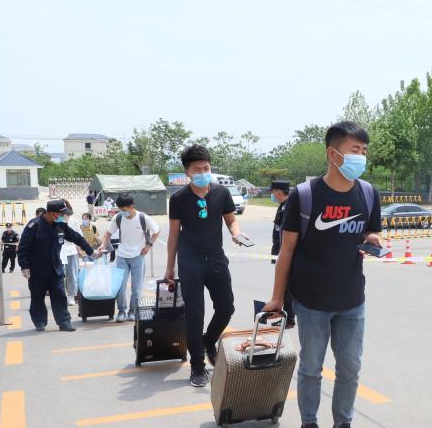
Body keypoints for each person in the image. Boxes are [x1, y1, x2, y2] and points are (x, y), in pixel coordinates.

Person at [262, 121, 383, 428]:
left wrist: (372, 239)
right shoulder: (305, 196)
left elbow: (368, 233)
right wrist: (277, 297)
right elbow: (286, 251)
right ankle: (310, 427)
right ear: (333, 154)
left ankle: (342, 427)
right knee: (311, 368)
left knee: (350, 368)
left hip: (352, 299)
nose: (361, 157)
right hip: (311, 300)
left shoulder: (368, 193)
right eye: (355, 150)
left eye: (364, 151)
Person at [163, 144, 249, 387]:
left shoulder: (222, 193)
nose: (203, 172)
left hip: (216, 258)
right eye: (197, 169)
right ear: (187, 172)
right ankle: (197, 366)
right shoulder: (178, 199)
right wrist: (170, 267)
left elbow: (231, 221)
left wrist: (236, 233)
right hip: (190, 261)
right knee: (195, 313)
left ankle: (208, 340)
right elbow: (173, 235)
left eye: (206, 168)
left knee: (226, 307)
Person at [18, 199, 96, 332]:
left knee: (60, 295)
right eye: (62, 214)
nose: (64, 216)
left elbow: (77, 237)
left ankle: (64, 322)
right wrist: (24, 266)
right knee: (37, 297)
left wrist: (91, 252)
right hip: (37, 270)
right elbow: (23, 247)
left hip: (55, 268)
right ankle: (40, 322)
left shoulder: (60, 226)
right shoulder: (34, 225)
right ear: (52, 213)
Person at [98, 193, 160, 322]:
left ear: (132, 207)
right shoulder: (118, 218)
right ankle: (122, 311)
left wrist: (148, 246)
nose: (122, 212)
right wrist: (103, 244)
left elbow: (157, 231)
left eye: (124, 209)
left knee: (136, 288)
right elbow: (108, 233)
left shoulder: (143, 218)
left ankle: (133, 310)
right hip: (122, 256)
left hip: (138, 256)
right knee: (120, 287)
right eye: (120, 209)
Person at [269, 180, 295, 329]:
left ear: (279, 192)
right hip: (280, 252)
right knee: (285, 287)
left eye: (272, 192)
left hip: (284, 253)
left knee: (286, 288)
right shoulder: (283, 205)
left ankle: (289, 318)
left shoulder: (288, 207)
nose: (272, 195)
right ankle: (287, 316)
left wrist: (281, 253)